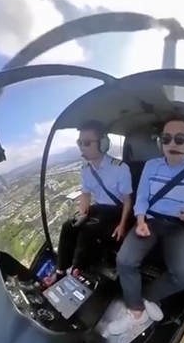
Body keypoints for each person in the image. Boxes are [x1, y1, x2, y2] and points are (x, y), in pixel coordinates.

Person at [108, 113, 184, 334]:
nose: (172, 144)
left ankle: (147, 297)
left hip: (176, 226)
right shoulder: (151, 166)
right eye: (166, 138)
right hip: (149, 220)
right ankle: (136, 312)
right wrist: (140, 220)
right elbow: (141, 197)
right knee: (124, 260)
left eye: (179, 139)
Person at [48, 120, 133, 285]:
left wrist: (122, 225)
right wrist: (81, 215)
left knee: (87, 229)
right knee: (69, 225)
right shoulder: (86, 169)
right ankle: (60, 272)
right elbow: (85, 194)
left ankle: (76, 270)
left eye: (86, 143)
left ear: (103, 144)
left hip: (118, 210)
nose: (82, 147)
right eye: (79, 143)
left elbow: (127, 199)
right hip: (100, 209)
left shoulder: (120, 168)